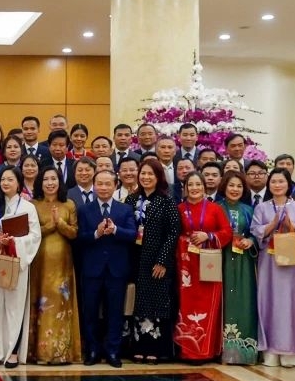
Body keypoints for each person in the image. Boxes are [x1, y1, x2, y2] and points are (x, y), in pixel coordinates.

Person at [0, 166, 42, 367]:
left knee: (14, 307)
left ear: (19, 183)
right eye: (3, 179)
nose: (5, 183)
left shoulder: (28, 207)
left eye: (10, 179)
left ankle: (12, 351)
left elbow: (35, 236)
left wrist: (14, 241)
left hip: (16, 260)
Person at [251, 168, 295, 368]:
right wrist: (272, 225)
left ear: (288, 184)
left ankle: (292, 353)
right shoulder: (262, 208)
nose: (277, 185)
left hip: (290, 264)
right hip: (268, 263)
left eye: (281, 181)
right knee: (268, 301)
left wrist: (291, 225)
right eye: (274, 182)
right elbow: (256, 232)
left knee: (290, 303)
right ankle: (269, 352)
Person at [19, 166, 80, 365]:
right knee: (40, 303)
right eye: (46, 179)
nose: (50, 183)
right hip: (39, 259)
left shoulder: (69, 204)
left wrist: (61, 223)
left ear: (59, 181)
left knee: (60, 303)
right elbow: (30, 232)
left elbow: (74, 233)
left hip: (63, 261)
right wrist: (51, 225)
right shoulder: (33, 205)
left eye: (54, 179)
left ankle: (61, 352)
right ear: (40, 182)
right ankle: (38, 352)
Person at [75, 169, 136, 367]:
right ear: (93, 185)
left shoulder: (124, 209)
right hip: (92, 269)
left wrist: (115, 230)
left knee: (115, 313)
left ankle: (112, 351)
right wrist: (96, 233)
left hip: (116, 270)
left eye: (107, 183)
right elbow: (78, 238)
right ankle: (92, 350)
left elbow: (132, 235)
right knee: (90, 312)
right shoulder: (84, 210)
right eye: (99, 183)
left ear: (115, 185)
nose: (103, 187)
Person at [126, 157, 182, 363]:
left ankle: (156, 348)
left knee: (157, 303)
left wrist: (162, 261)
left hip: (157, 260)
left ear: (159, 177)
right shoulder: (131, 200)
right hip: (135, 259)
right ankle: (138, 347)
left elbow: (173, 232)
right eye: (143, 173)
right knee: (138, 303)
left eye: (151, 174)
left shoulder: (167, 201)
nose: (146, 177)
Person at [174, 172, 232, 362]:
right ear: (185, 188)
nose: (194, 188)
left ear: (204, 187)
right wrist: (185, 240)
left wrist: (208, 236)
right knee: (186, 305)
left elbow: (226, 232)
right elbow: (174, 234)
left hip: (208, 263)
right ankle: (187, 351)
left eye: (198, 184)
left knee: (208, 306)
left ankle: (206, 351)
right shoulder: (179, 208)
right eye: (190, 185)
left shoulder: (215, 209)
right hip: (186, 266)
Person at [218, 170, 259, 365]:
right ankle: (221, 349)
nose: (235, 189)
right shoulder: (215, 208)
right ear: (224, 186)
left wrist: (251, 241)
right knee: (223, 300)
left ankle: (245, 351)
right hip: (221, 261)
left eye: (239, 186)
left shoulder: (249, 210)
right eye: (231, 185)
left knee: (244, 300)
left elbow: (257, 234)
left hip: (244, 264)